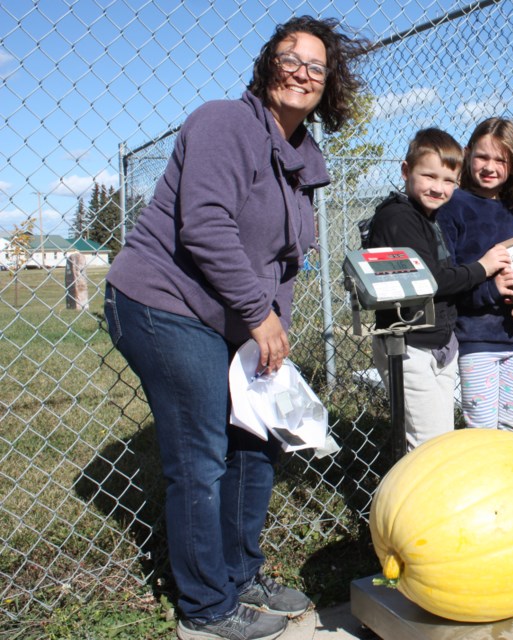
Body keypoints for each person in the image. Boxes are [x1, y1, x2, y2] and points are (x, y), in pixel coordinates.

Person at [104, 16, 366, 640]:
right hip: (163, 303)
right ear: (266, 65)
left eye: (316, 66)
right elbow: (205, 226)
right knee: (201, 453)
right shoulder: (224, 122)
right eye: (289, 58)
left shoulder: (303, 159)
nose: (302, 72)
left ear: (329, 86)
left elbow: (283, 265)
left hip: (229, 316)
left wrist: (272, 340)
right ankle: (205, 607)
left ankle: (239, 574)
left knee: (258, 442)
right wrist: (257, 317)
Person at [366, 128, 513, 451]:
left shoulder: (430, 218)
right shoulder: (398, 218)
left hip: (437, 344)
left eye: (448, 180)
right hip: (408, 345)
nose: (438, 188)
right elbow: (429, 280)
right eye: (429, 176)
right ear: (406, 171)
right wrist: (483, 268)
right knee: (431, 446)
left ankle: (422, 497)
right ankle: (413, 501)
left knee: (437, 439)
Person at [437, 117, 513, 431]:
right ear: (467, 155)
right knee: (481, 427)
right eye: (482, 156)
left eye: (500, 159)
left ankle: (507, 480)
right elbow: (449, 281)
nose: (490, 166)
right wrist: (490, 290)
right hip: (476, 338)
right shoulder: (454, 206)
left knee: (512, 422)